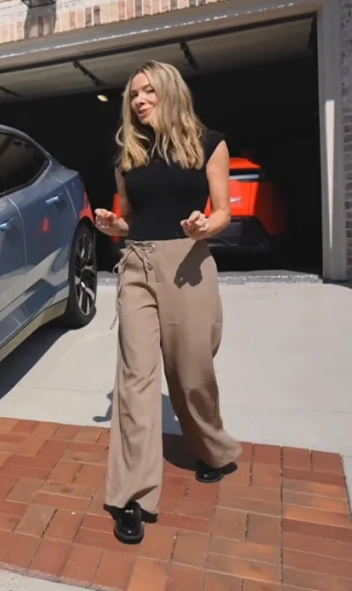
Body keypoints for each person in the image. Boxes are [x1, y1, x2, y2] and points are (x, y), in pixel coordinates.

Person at [93, 60, 241, 545]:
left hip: (188, 265)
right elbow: (131, 218)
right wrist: (116, 228)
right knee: (135, 378)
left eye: (148, 91)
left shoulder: (209, 142)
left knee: (191, 371)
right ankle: (131, 496)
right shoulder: (127, 155)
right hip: (137, 267)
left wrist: (205, 227)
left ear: (170, 91)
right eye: (133, 94)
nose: (139, 100)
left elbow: (223, 211)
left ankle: (212, 449)